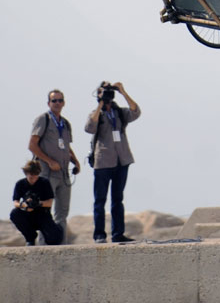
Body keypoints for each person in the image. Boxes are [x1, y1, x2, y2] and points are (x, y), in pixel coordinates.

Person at [85, 81, 141, 243]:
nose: (107, 95)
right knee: (100, 200)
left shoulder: (120, 113)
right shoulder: (96, 114)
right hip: (103, 162)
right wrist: (100, 103)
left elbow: (136, 112)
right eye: (103, 92)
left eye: (109, 92)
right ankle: (99, 234)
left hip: (121, 161)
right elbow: (89, 128)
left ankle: (118, 233)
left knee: (117, 199)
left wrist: (123, 92)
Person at [29, 89, 80, 243]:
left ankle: (60, 245)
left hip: (63, 173)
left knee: (62, 213)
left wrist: (75, 161)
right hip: (47, 173)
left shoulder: (65, 123)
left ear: (64, 103)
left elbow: (66, 146)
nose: (57, 103)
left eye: (60, 100)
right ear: (49, 103)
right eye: (54, 101)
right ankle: (44, 246)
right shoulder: (43, 119)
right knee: (44, 210)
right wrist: (49, 161)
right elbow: (32, 145)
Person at [10, 160, 63, 246]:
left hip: (42, 215)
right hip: (28, 215)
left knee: (53, 240)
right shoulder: (20, 184)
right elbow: (15, 202)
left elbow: (49, 203)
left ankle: (57, 230)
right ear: (26, 173)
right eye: (31, 175)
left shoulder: (44, 182)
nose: (33, 177)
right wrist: (24, 205)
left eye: (36, 174)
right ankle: (30, 237)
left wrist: (37, 203)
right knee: (14, 213)